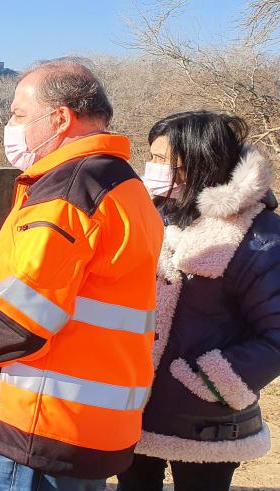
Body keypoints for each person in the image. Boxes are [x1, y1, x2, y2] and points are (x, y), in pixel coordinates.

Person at [0, 59, 164, 490]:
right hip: (87, 422)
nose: (11, 125)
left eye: (18, 114)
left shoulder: (68, 191)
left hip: (37, 424)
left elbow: (23, 318)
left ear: (59, 118)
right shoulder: (124, 186)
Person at [115, 111, 280, 491]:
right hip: (134, 405)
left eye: (161, 160)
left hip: (209, 417)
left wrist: (213, 381)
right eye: (151, 157)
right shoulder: (153, 213)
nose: (151, 168)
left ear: (199, 164)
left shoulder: (261, 238)